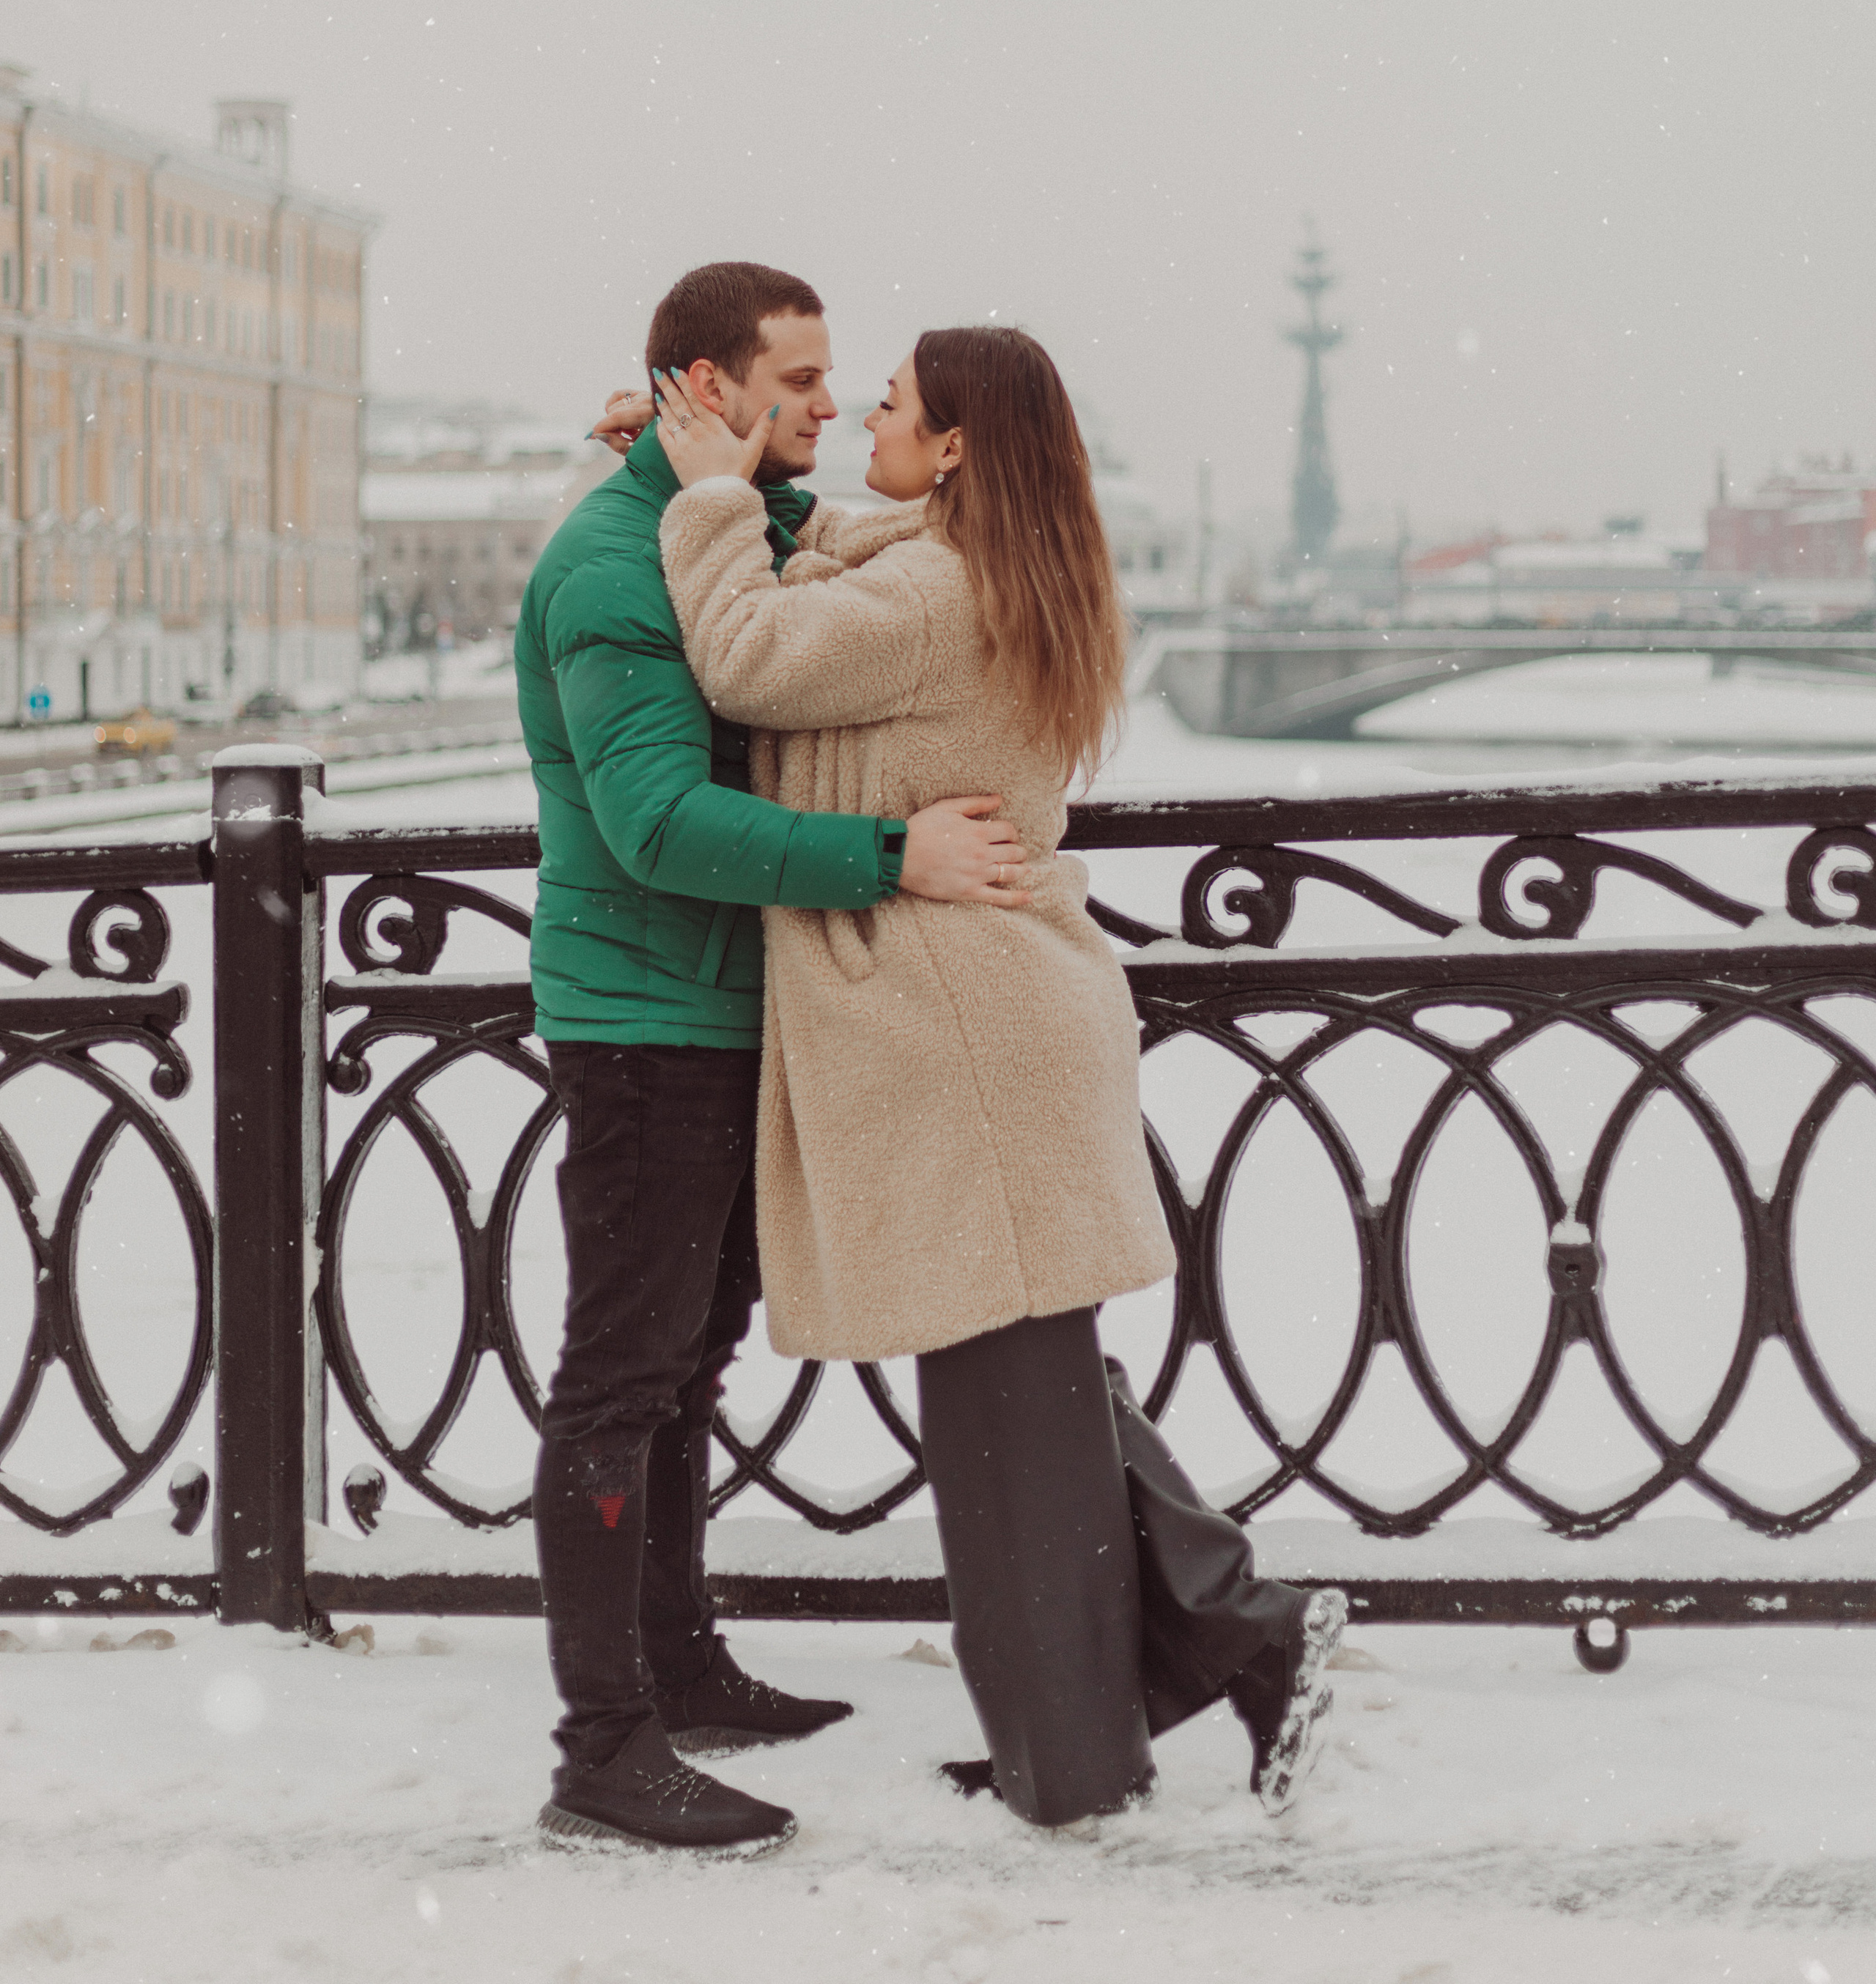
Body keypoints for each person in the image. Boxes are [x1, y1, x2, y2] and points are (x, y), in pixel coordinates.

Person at [645, 325, 1349, 1832]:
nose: (867, 418)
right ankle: (1207, 1650)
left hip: (959, 1029)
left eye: (894, 404)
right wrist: (735, 473)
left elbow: (747, 655)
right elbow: (839, 556)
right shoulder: (975, 568)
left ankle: (1087, 1757)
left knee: (1007, 1430)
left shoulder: (932, 594)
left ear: (956, 445)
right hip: (991, 1018)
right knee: (1031, 1395)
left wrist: (705, 504)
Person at [518, 262, 1033, 1858]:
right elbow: (657, 824)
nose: (828, 403)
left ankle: (677, 1666)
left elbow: (831, 572)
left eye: (832, 378)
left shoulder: (723, 522)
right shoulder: (612, 568)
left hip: (731, 1015)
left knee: (686, 1364)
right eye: (798, 381)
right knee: (620, 1378)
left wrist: (711, 482)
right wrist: (891, 857)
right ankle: (603, 1747)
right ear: (707, 388)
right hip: (645, 1024)